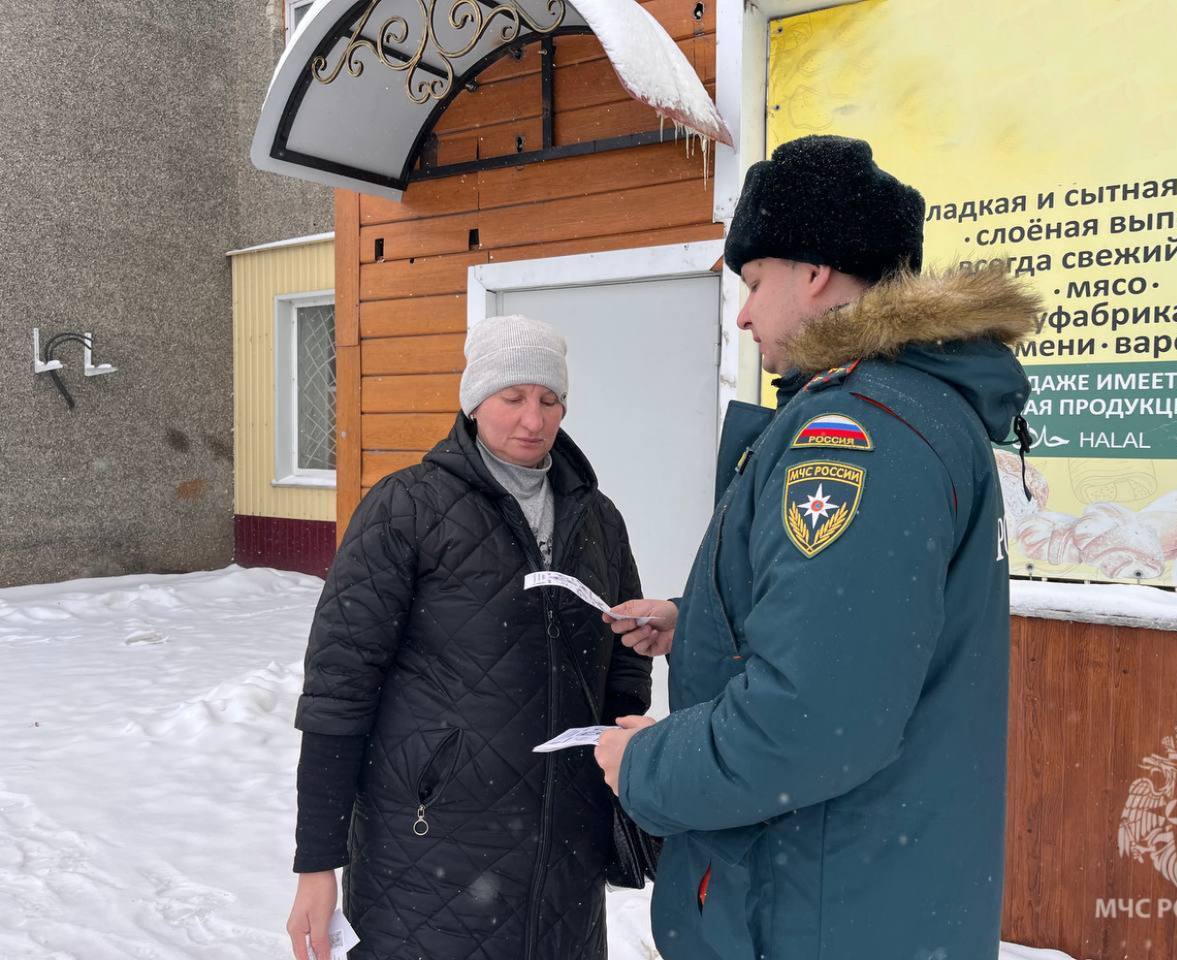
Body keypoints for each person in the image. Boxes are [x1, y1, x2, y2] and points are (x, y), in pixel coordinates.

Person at [594, 135, 1040, 960]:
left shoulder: (856, 429)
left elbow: (809, 721)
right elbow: (860, 627)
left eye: (754, 280)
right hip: (869, 897)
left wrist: (644, 765)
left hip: (818, 910)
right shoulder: (919, 408)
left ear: (814, 273)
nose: (743, 311)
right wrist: (699, 623)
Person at [287, 315, 652, 960]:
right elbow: (339, 686)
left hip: (565, 851)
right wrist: (318, 861)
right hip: (428, 851)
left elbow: (620, 668)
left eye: (549, 400)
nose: (533, 420)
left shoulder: (597, 517)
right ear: (474, 398)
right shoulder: (407, 507)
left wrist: (631, 765)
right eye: (512, 398)